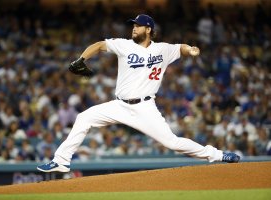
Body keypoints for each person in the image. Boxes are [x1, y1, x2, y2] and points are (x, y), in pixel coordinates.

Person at [37, 14, 240, 173]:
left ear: (148, 29)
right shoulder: (124, 44)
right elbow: (99, 45)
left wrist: (191, 50)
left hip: (144, 107)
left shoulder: (162, 49)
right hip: (119, 105)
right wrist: (81, 58)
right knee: (84, 118)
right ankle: (61, 161)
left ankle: (217, 155)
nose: (133, 27)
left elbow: (182, 48)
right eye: (133, 25)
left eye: (137, 25)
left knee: (172, 143)